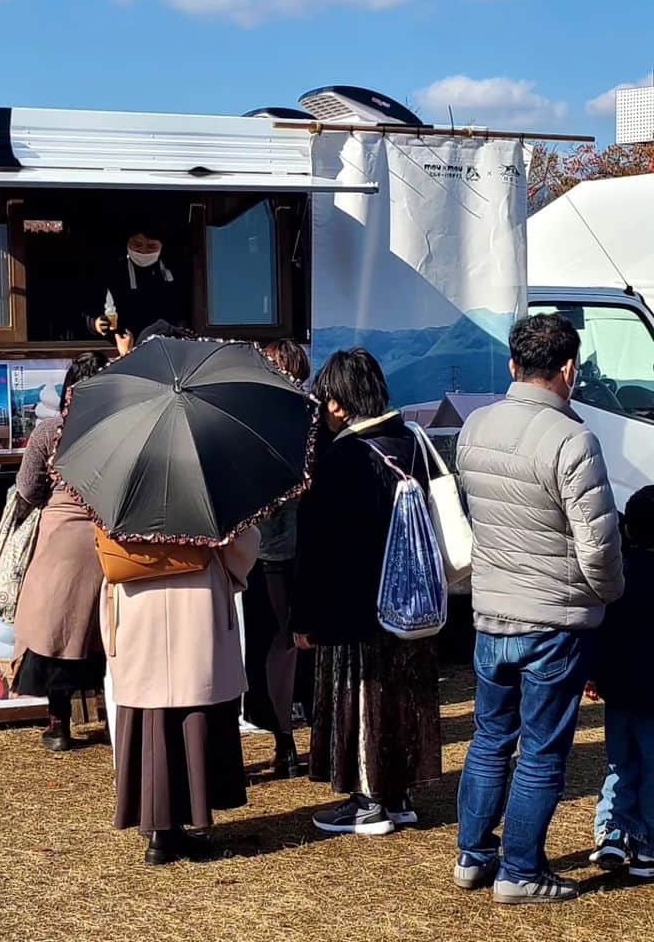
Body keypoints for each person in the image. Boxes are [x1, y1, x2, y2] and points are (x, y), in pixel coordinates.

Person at [454, 313, 624, 904]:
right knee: (542, 751)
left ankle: (474, 856)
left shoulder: (474, 426)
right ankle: (520, 869)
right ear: (570, 370)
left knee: (489, 739)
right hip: (554, 618)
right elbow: (598, 545)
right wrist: (609, 596)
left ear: (512, 366)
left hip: (492, 609)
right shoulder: (573, 439)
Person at [290, 348, 441, 836]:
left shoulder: (343, 457)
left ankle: (369, 800)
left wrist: (305, 617)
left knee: (363, 696)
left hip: (356, 604)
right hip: (414, 600)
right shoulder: (412, 443)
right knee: (406, 693)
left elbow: (316, 546)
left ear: (337, 403)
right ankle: (400, 796)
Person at [103, 527, 260, 865]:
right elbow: (242, 546)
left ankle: (159, 830)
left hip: (136, 600)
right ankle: (190, 820)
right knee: (197, 709)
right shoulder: (206, 485)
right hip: (199, 598)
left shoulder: (115, 488)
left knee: (149, 715)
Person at [11, 352, 110, 751]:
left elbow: (26, 487)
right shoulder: (118, 432)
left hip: (61, 536)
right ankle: (116, 716)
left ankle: (59, 724)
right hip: (108, 537)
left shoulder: (51, 430)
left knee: (54, 630)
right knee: (105, 634)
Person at [242, 339, 311, 777]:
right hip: (287, 548)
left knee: (276, 644)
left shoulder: (277, 419)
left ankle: (284, 737)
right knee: (287, 643)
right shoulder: (309, 416)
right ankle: (289, 731)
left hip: (273, 549)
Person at [586, 486, 654, 880]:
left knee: (619, 763)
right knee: (650, 768)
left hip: (620, 688)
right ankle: (646, 845)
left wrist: (594, 672)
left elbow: (601, 630)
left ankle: (611, 831)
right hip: (650, 694)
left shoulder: (619, 576)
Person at [90, 231, 181, 351]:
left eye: (151, 247)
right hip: (122, 343)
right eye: (137, 245)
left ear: (161, 247)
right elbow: (88, 310)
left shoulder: (174, 272)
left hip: (165, 345)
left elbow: (182, 310)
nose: (143, 252)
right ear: (127, 243)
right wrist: (95, 324)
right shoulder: (112, 272)